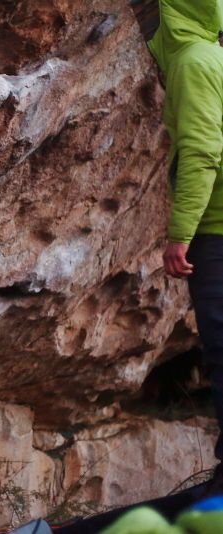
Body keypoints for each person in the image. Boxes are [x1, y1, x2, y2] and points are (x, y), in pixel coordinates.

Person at [148, 0, 223, 494]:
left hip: (216, 230)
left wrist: (180, 234)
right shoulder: (212, 55)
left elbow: (201, 149)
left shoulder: (193, 60)